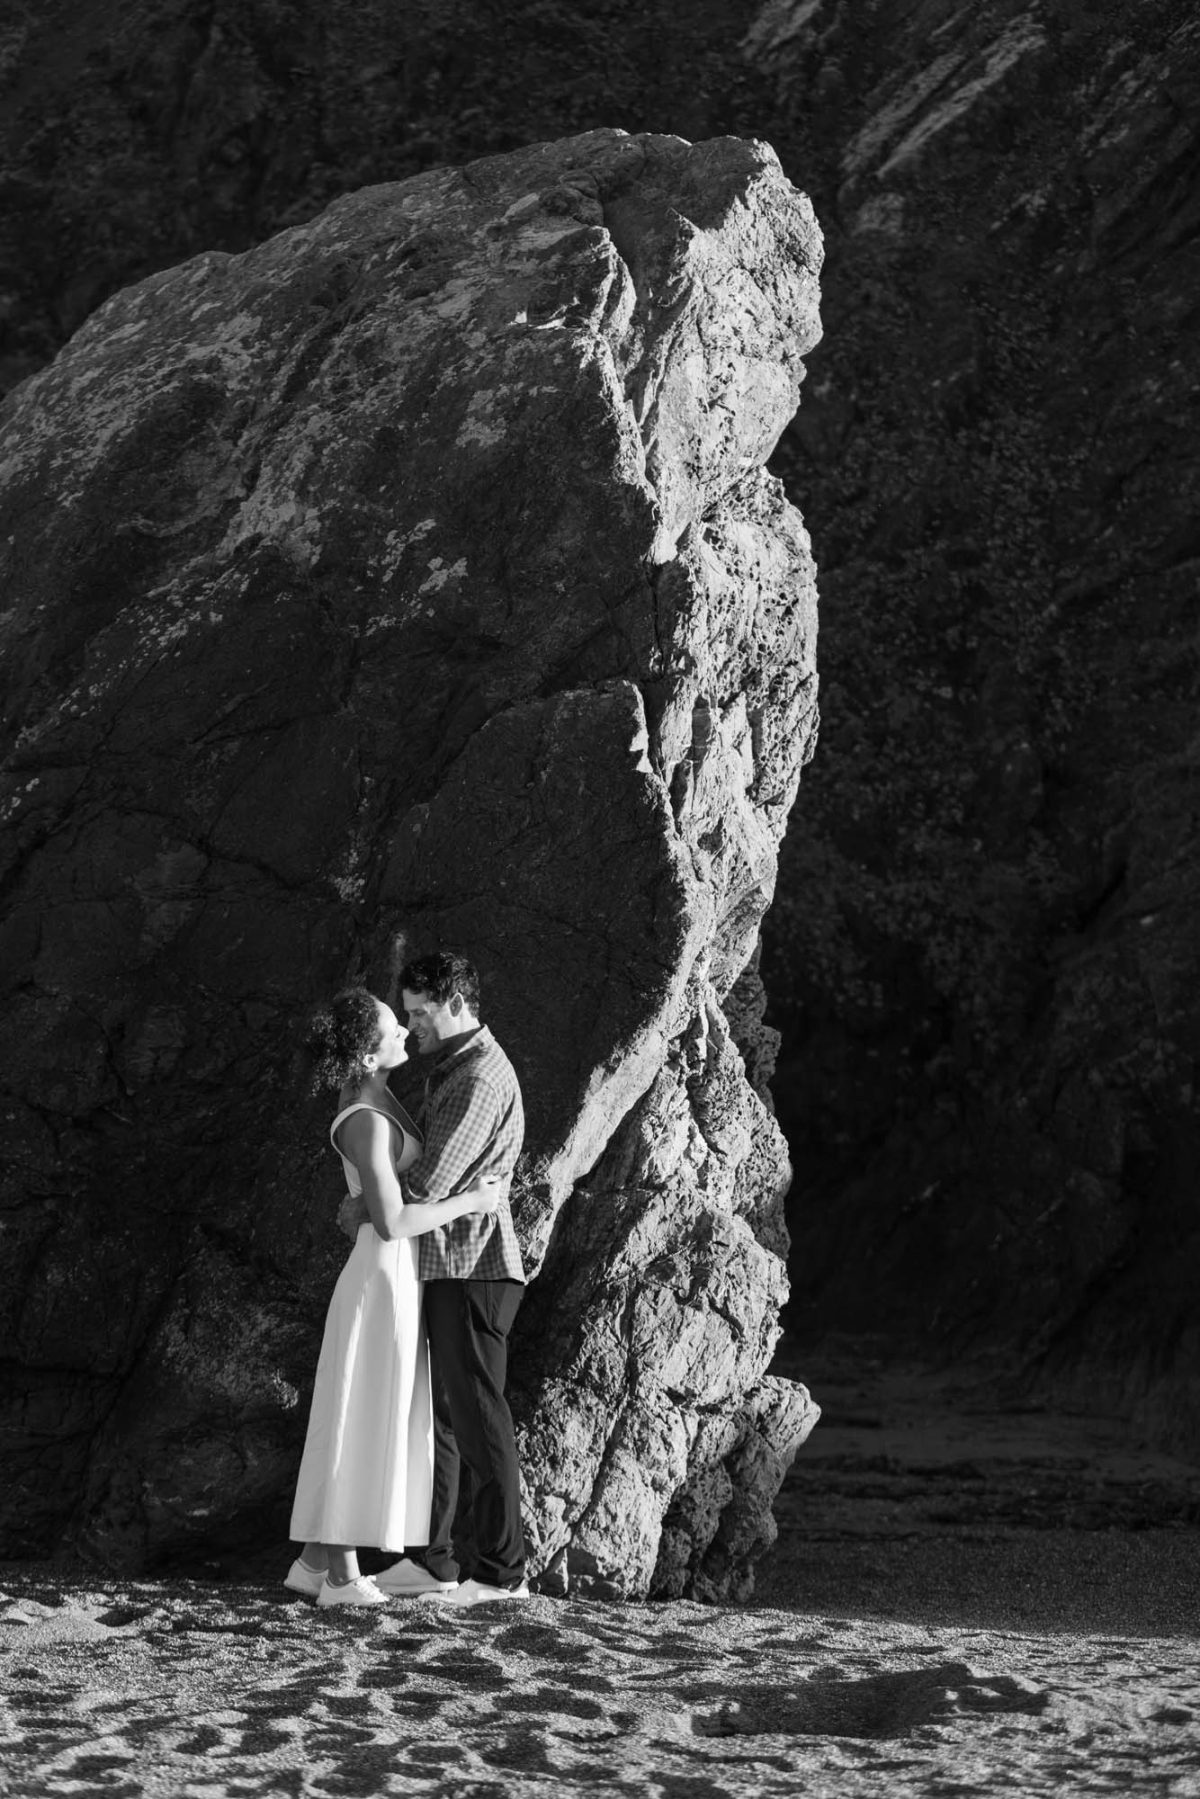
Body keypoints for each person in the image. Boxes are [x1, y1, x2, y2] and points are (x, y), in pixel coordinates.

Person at [285, 987, 502, 1609]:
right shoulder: (363, 1117)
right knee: (361, 1414)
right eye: (391, 1026)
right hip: (379, 1276)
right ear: (365, 1049)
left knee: (373, 1407)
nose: (405, 1031)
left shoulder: (380, 1097)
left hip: (398, 1278)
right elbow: (391, 1221)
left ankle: (311, 1564)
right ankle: (343, 1578)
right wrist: (476, 1202)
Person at [356, 949, 530, 1608]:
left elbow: (428, 1184)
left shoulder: (478, 1079)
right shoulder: (458, 1069)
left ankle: (499, 1572)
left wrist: (367, 1198)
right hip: (455, 1262)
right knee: (448, 1421)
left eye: (420, 1011)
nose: (413, 1024)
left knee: (481, 1416)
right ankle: (436, 1563)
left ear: (456, 1002)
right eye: (407, 1013)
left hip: (474, 1265)